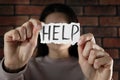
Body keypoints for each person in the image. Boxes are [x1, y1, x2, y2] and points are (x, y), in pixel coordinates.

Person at [0, 3, 113, 80]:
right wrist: (11, 70)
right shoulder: (25, 68)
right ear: (41, 32)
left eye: (63, 28)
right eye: (51, 28)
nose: (57, 34)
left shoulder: (92, 68)